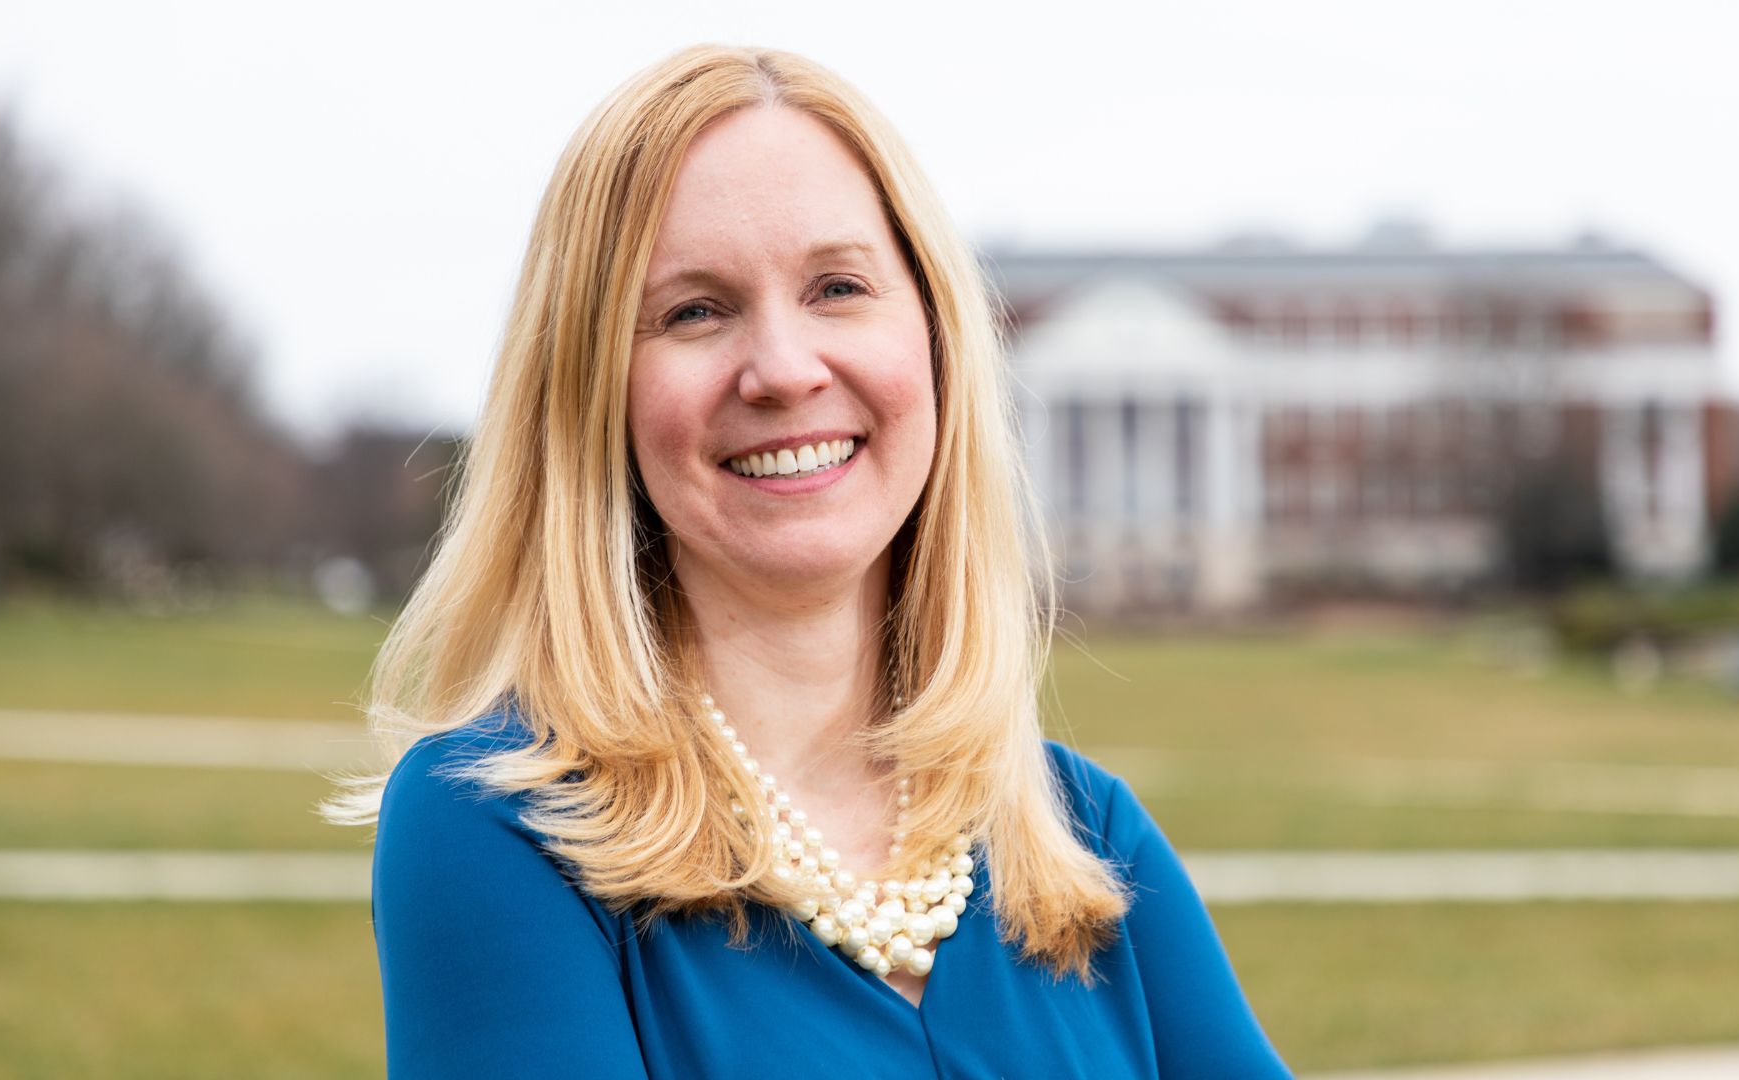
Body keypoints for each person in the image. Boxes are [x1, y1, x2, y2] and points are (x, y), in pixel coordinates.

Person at [324, 43, 1294, 1079]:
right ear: (589, 390)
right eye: (695, 310)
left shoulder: (1085, 838)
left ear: (934, 341)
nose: (784, 371)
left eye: (838, 286)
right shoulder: (498, 829)